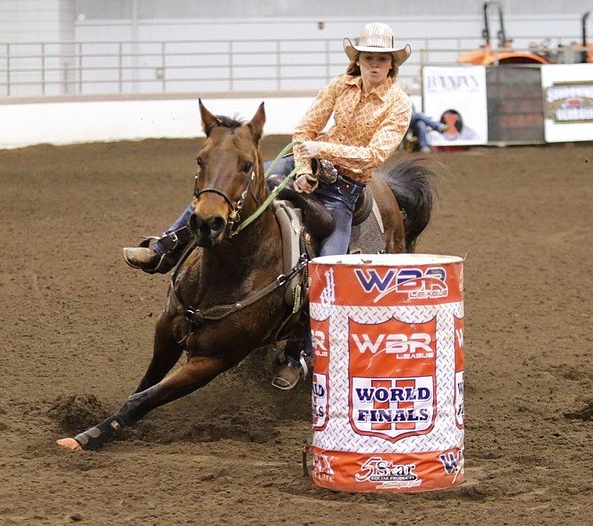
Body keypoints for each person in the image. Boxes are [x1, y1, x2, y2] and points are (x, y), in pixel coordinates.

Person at [122, 22, 413, 389]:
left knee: (328, 274)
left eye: (382, 59)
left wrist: (321, 151)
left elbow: (374, 153)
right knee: (226, 193)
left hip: (344, 190)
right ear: (359, 60)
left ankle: (298, 354)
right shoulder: (340, 86)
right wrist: (306, 167)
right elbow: (304, 131)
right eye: (369, 57)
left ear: (391, 64)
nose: (374, 64)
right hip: (303, 165)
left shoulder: (399, 103)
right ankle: (164, 248)